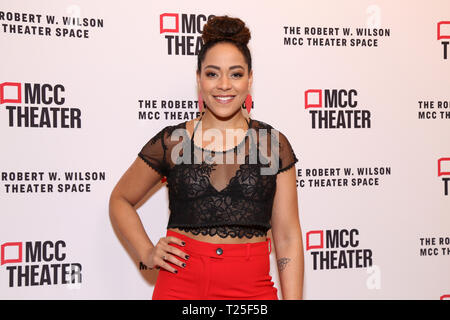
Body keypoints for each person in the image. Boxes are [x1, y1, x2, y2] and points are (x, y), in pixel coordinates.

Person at [109, 15, 304, 300]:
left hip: (251, 291)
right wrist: (147, 251)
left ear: (250, 79)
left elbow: (287, 237)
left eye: (236, 74)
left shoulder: (272, 144)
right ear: (199, 79)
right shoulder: (174, 141)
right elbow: (120, 200)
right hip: (179, 287)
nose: (224, 84)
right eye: (212, 73)